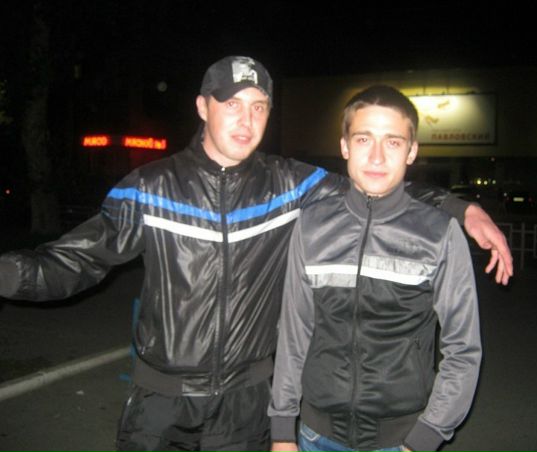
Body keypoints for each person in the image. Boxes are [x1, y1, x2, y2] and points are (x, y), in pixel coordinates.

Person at [0, 57, 502, 452]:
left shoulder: (289, 185)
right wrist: (6, 273)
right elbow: (76, 260)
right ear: (203, 107)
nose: (246, 119)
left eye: (259, 106)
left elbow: (374, 183)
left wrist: (462, 208)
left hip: (246, 409)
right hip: (160, 403)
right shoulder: (151, 188)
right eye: (232, 103)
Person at [269, 85, 482, 452]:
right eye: (364, 139)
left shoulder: (440, 234)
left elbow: (463, 349)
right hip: (315, 434)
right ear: (345, 147)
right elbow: (293, 333)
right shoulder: (312, 226)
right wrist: (283, 430)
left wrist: (426, 436)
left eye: (393, 142)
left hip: (401, 439)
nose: (377, 157)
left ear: (411, 151)